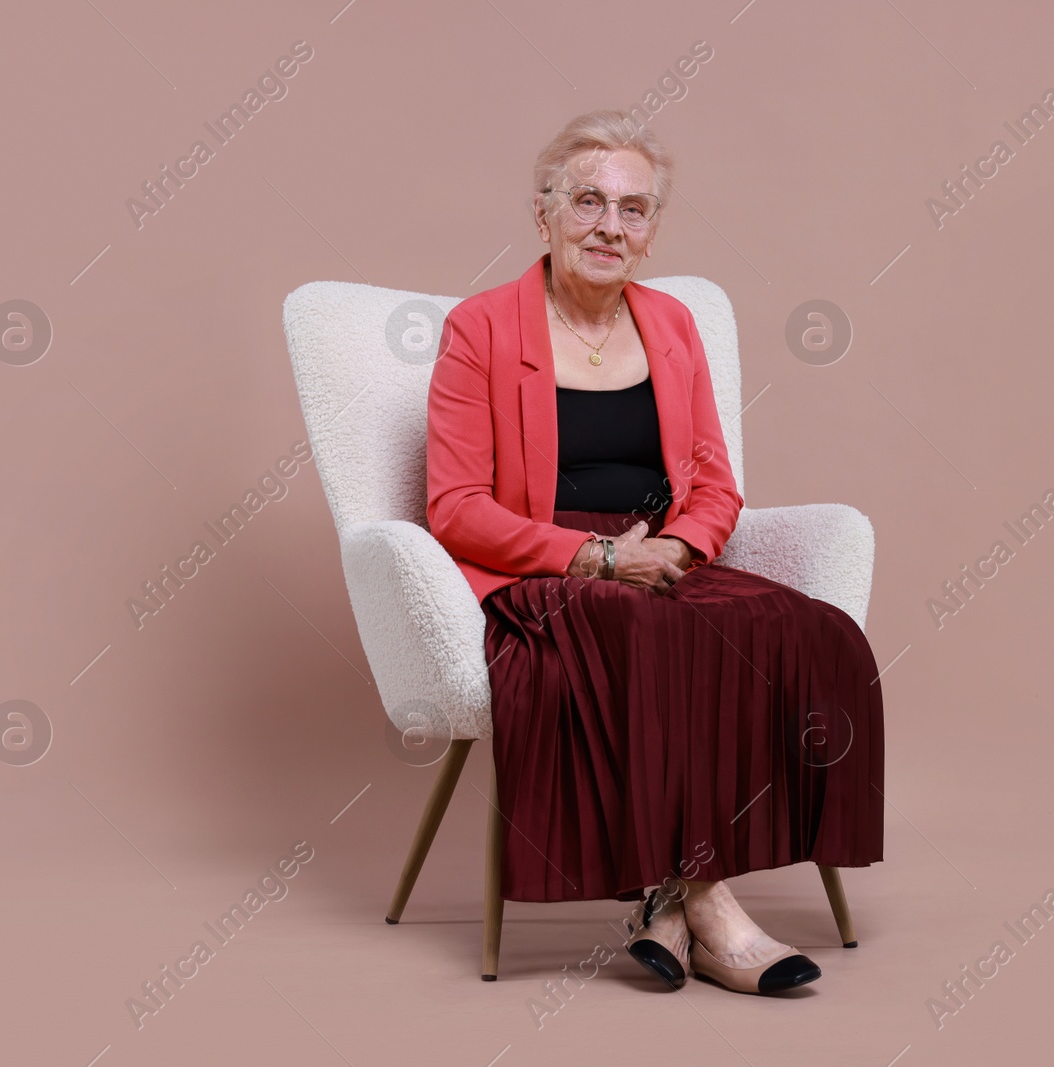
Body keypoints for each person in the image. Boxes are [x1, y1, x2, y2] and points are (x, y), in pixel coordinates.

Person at [425, 109, 883, 995]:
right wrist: (597, 558)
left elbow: (715, 480)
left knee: (804, 628)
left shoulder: (671, 322)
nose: (610, 225)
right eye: (588, 201)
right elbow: (455, 507)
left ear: (652, 229)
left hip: (662, 556)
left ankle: (664, 909)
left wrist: (676, 545)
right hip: (546, 564)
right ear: (543, 212)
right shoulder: (481, 329)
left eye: (633, 210)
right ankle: (712, 907)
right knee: (643, 632)